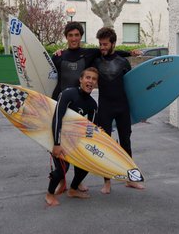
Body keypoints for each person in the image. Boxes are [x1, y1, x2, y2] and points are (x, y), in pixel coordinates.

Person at [50, 22, 139, 193]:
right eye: (71, 35)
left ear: (81, 36)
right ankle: (61, 179)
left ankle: (78, 182)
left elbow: (112, 54)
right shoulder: (59, 56)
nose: (74, 38)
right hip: (64, 101)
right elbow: (47, 74)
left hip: (84, 106)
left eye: (77, 35)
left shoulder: (89, 53)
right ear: (66, 37)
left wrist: (129, 53)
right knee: (60, 142)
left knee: (81, 145)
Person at [94, 27, 145, 194]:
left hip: (122, 106)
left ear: (113, 43)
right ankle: (107, 182)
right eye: (100, 44)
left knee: (126, 143)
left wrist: (139, 111)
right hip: (105, 107)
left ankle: (132, 179)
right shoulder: (95, 60)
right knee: (106, 146)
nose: (102, 47)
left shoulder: (123, 62)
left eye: (105, 44)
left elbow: (132, 87)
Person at [45, 67, 99, 206]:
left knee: (86, 164)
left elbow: (89, 130)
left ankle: (73, 189)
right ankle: (49, 194)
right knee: (63, 168)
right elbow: (57, 118)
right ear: (81, 79)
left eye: (93, 79)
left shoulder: (92, 105)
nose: (90, 81)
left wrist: (96, 135)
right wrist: (57, 144)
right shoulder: (68, 94)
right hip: (58, 137)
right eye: (88, 77)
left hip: (75, 139)